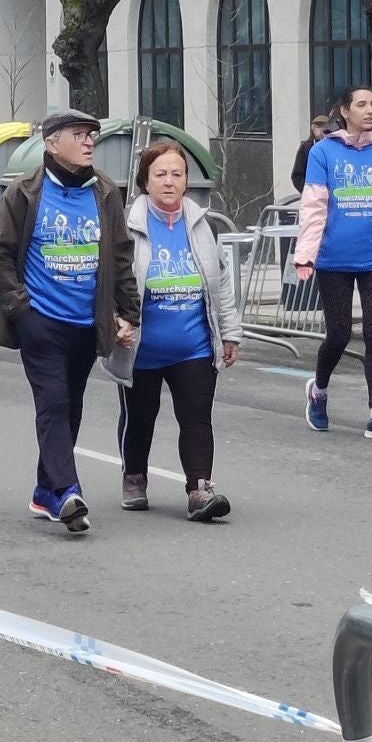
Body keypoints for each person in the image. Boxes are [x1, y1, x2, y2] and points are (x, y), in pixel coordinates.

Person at [0, 108, 139, 535]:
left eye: (93, 135)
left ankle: (44, 489)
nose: (90, 142)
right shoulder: (25, 192)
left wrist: (128, 312)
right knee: (52, 402)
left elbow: (121, 256)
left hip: (86, 322)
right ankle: (68, 490)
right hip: (42, 320)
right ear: (52, 142)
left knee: (70, 407)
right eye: (79, 134)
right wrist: (21, 311)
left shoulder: (104, 191)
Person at [294, 86, 372, 442]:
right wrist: (305, 255)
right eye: (362, 105)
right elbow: (314, 209)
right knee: (338, 334)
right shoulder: (323, 154)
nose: (370, 111)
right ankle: (318, 391)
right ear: (344, 111)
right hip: (334, 259)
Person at [121, 141, 240, 520]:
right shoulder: (128, 225)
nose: (169, 182)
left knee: (196, 418)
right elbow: (113, 281)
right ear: (145, 181)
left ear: (187, 181)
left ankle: (199, 489)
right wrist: (114, 322)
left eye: (177, 174)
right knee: (140, 417)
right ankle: (134, 475)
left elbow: (219, 282)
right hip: (142, 349)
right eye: (160, 174)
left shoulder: (201, 224)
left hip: (194, 346)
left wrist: (230, 333)